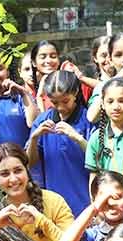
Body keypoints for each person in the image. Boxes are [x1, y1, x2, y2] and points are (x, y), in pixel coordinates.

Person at [27, 70, 93, 216]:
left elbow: (101, 160)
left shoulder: (88, 120)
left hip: (86, 201)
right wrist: (34, 138)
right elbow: (30, 163)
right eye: (55, 102)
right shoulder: (43, 121)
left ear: (76, 92)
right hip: (54, 204)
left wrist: (78, 138)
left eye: (65, 101)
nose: (61, 107)